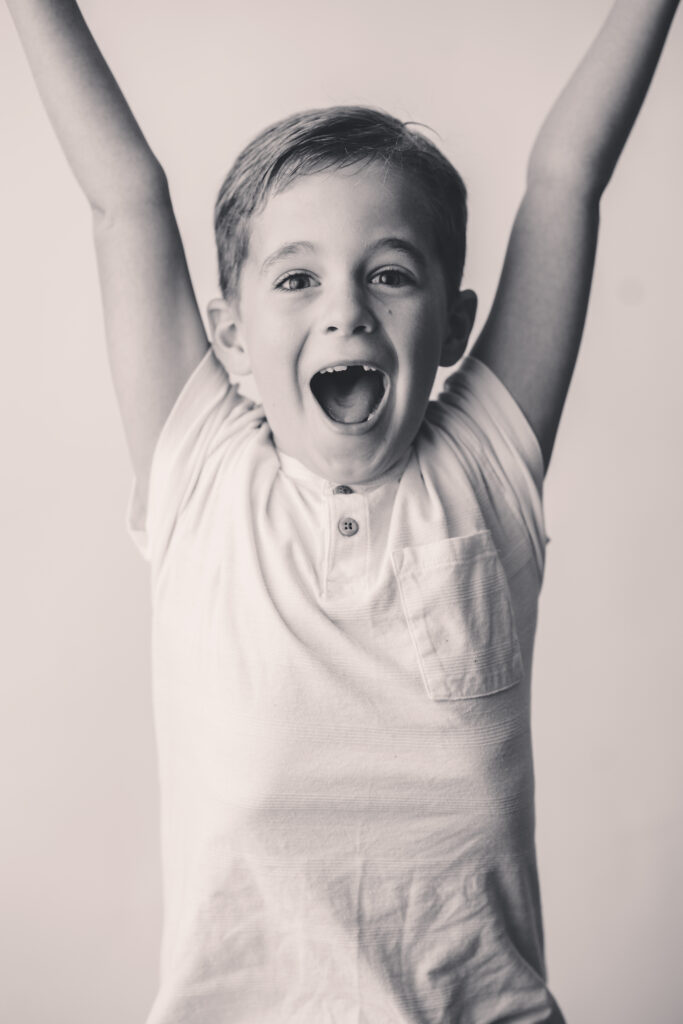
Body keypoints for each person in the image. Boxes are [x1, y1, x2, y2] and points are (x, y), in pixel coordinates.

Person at [5, 0, 680, 1020]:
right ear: (229, 333)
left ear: (454, 323)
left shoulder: (481, 464)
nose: (344, 307)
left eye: (390, 273)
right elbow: (125, 202)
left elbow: (565, 179)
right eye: (296, 277)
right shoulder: (205, 477)